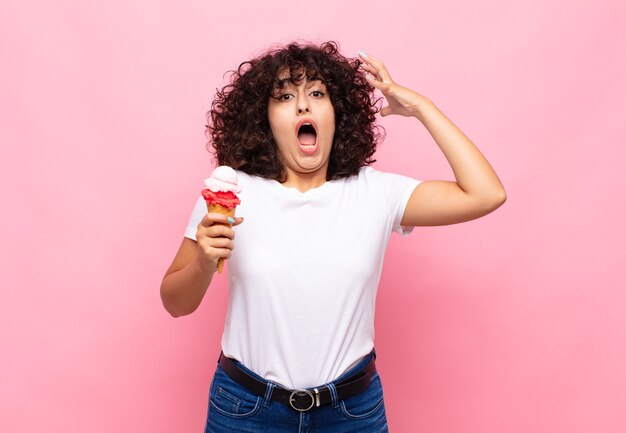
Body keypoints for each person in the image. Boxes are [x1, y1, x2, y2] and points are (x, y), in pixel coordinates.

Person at [160, 41, 506, 432]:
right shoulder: (231, 193)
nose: (303, 106)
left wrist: (420, 108)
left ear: (337, 112)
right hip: (245, 410)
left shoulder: (375, 192)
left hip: (351, 413)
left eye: (317, 94)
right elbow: (175, 302)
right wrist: (206, 261)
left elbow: (486, 194)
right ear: (265, 118)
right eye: (286, 96)